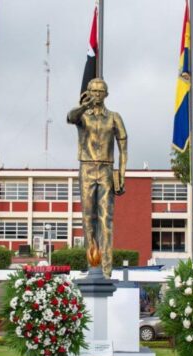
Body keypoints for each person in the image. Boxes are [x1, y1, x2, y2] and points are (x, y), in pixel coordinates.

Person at [66, 78, 128, 279]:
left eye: (101, 91)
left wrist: (122, 174)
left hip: (107, 169)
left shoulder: (114, 117)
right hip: (86, 167)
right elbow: (70, 117)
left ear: (106, 94)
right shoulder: (82, 115)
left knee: (106, 219)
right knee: (87, 219)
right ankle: (92, 263)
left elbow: (123, 148)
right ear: (89, 93)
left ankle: (107, 270)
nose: (97, 94)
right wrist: (83, 106)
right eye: (94, 91)